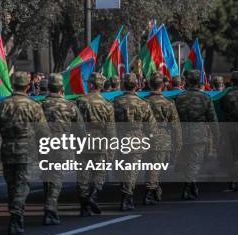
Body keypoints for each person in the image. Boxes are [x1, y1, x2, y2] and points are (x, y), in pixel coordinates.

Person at [0, 71, 49, 235]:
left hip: (8, 149)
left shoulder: (3, 103)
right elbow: (43, 131)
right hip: (26, 150)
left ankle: (14, 212)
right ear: (27, 85)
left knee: (11, 184)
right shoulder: (33, 105)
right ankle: (16, 215)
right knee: (22, 185)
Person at [39, 73, 85, 225]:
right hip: (61, 145)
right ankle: (50, 209)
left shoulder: (40, 105)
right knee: (57, 178)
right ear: (61, 88)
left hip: (43, 145)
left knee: (47, 178)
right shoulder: (70, 106)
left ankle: (50, 207)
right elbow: (80, 129)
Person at [112, 73, 157, 211]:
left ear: (123, 85)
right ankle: (127, 196)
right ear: (136, 86)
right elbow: (151, 126)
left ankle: (126, 193)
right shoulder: (143, 103)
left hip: (120, 138)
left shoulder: (115, 102)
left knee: (121, 168)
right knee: (132, 170)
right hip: (137, 138)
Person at [174, 70, 219, 200]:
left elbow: (175, 118)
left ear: (187, 81)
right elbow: (212, 119)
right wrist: (217, 136)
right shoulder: (205, 98)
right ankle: (189, 186)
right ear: (199, 82)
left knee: (186, 161)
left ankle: (191, 185)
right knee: (194, 162)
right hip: (198, 134)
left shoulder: (180, 98)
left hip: (183, 133)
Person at [76, 72, 116, 216]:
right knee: (99, 172)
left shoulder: (81, 101)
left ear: (91, 84)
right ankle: (92, 196)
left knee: (83, 174)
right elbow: (111, 130)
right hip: (100, 141)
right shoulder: (107, 104)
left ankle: (84, 205)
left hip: (83, 140)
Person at [144, 72, 182, 204]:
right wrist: (178, 144)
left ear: (150, 84)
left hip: (145, 137)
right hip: (162, 138)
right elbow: (176, 126)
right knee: (155, 166)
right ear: (162, 85)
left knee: (150, 165)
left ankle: (154, 189)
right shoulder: (169, 103)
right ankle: (150, 191)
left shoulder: (143, 102)